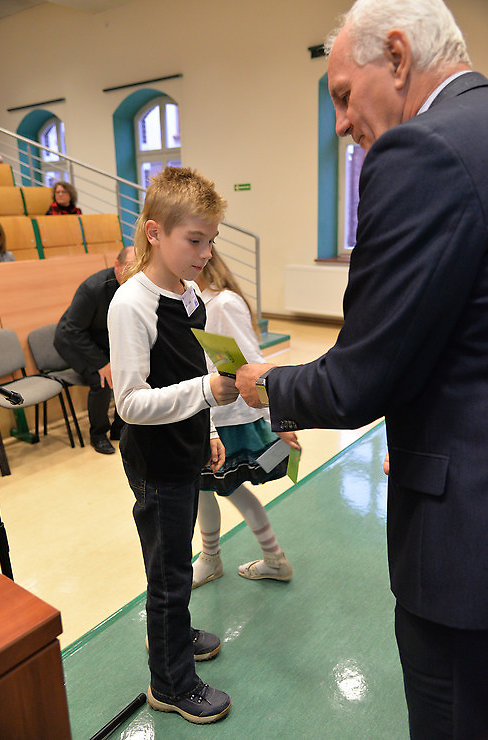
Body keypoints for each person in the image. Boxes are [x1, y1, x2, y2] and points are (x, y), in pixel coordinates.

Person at [236, 0, 488, 736]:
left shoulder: (421, 152)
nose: (343, 124)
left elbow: (357, 381)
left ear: (399, 57)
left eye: (344, 95)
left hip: (465, 543)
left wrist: (268, 386)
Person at [107, 166, 238, 724]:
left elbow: (191, 366)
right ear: (155, 232)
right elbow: (131, 403)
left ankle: (175, 634)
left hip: (185, 448)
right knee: (168, 576)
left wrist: (208, 427)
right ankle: (170, 683)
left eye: (211, 241)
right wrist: (205, 391)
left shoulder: (189, 294)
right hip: (156, 462)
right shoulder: (131, 304)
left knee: (176, 566)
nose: (206, 254)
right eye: (195, 240)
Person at [193, 247, 299, 588]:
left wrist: (278, 417)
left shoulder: (222, 303)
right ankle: (211, 557)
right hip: (205, 414)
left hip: (229, 418)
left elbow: (253, 366)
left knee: (230, 489)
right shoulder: (193, 301)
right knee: (203, 490)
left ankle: (272, 558)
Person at [54, 246, 134, 454]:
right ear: (117, 265)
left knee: (127, 374)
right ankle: (98, 434)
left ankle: (119, 428)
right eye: (129, 267)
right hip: (73, 341)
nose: (134, 274)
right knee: (102, 381)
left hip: (100, 338)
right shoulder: (92, 288)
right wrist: (102, 364)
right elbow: (73, 330)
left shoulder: (134, 287)